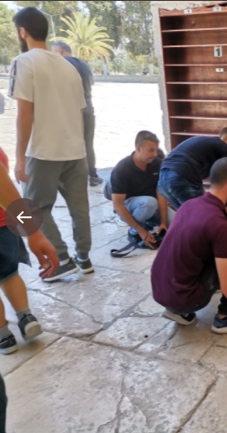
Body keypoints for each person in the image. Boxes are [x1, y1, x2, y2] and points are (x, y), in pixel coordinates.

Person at [9, 7, 93, 282]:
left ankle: (62, 258)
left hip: (43, 151)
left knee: (30, 208)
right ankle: (84, 257)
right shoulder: (68, 66)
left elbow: (25, 113)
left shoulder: (24, 62)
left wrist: (19, 157)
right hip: (75, 151)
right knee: (79, 208)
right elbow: (81, 111)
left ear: (23, 32)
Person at [151, 157, 227, 333]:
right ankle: (226, 316)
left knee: (210, 245)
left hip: (161, 292)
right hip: (185, 300)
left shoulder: (188, 205)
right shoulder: (219, 224)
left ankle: (179, 312)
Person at [0, 149, 59, 433]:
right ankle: (25, 316)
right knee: (9, 274)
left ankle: (4, 335)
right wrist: (33, 231)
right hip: (3, 226)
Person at [51, 40, 103, 187]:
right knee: (87, 143)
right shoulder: (85, 65)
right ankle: (92, 175)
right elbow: (89, 84)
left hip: (70, 111)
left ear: (60, 51)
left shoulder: (61, 64)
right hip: (88, 109)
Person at [110, 130, 173, 249]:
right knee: (149, 202)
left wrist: (163, 223)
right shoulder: (122, 169)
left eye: (155, 150)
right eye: (151, 150)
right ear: (138, 148)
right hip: (130, 205)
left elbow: (160, 194)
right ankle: (134, 233)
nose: (155, 154)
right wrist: (140, 231)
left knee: (177, 222)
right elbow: (117, 205)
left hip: (151, 205)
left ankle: (148, 223)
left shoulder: (157, 164)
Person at [158, 127, 227, 210]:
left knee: (187, 215)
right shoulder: (225, 147)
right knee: (202, 214)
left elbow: (197, 182)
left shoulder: (207, 144)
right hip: (181, 176)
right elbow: (225, 180)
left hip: (162, 179)